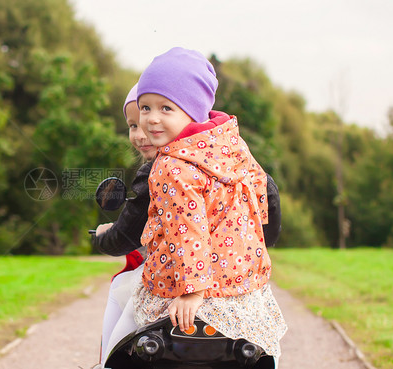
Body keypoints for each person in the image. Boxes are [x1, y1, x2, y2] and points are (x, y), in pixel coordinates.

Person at [109, 47, 287, 366]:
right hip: (244, 293)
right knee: (269, 352)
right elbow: (261, 202)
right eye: (145, 107)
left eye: (166, 108)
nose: (151, 118)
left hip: (189, 290)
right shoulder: (232, 146)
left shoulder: (170, 165)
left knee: (122, 338)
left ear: (192, 110)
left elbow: (185, 229)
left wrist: (191, 290)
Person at [92, 83, 154, 363]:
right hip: (232, 275)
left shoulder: (157, 170)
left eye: (145, 123)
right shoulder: (232, 157)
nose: (140, 135)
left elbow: (125, 236)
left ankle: (106, 363)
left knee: (119, 290)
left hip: (176, 276)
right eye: (132, 126)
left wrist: (105, 235)